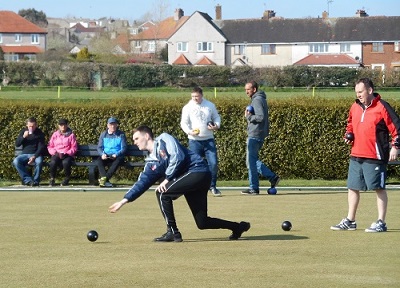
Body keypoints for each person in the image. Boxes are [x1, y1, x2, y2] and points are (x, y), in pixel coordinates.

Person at [108, 125, 250, 242]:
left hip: (198, 171)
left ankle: (173, 232)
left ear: (146, 136)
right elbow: (142, 183)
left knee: (162, 193)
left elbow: (178, 156)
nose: (135, 142)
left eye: (137, 138)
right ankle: (237, 227)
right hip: (191, 179)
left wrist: (167, 179)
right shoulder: (151, 161)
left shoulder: (164, 138)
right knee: (202, 223)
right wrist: (123, 201)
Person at [331, 78, 400, 233]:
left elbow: (397, 129)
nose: (358, 95)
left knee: (379, 188)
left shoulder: (382, 107)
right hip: (356, 154)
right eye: (356, 92)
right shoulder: (355, 107)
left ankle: (381, 222)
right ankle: (350, 220)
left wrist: (396, 147)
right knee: (352, 187)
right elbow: (350, 123)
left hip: (374, 156)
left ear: (369, 90)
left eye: (361, 92)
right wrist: (349, 134)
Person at [180, 86, 222, 197]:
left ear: (201, 95)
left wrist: (216, 126)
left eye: (197, 96)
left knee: (213, 164)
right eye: (193, 96)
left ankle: (212, 186)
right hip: (194, 141)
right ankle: (196, 188)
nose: (195, 98)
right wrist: (190, 132)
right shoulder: (187, 107)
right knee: (195, 166)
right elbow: (183, 123)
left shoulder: (210, 105)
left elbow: (217, 117)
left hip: (209, 140)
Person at [241, 81, 280, 195]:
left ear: (254, 89)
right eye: (245, 89)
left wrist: (249, 117)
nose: (246, 92)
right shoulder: (259, 98)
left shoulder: (257, 100)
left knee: (251, 162)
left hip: (255, 134)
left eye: (248, 89)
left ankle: (254, 188)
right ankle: (272, 178)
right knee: (251, 161)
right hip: (258, 134)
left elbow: (260, 117)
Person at [13, 117, 46, 186]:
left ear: (36, 125)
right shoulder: (23, 131)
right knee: (16, 161)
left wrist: (34, 156)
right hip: (25, 154)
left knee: (39, 162)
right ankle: (28, 180)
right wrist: (23, 137)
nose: (31, 128)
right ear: (27, 125)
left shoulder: (39, 133)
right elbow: (17, 144)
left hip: (36, 154)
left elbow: (41, 147)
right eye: (29, 126)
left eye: (33, 126)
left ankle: (36, 181)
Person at [97, 117, 127, 187]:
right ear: (108, 125)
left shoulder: (121, 135)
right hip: (106, 155)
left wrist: (116, 154)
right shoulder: (103, 134)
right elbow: (99, 147)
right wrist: (102, 154)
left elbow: (124, 148)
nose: (112, 126)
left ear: (117, 125)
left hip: (117, 156)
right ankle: (105, 181)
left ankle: (104, 179)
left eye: (114, 124)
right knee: (98, 161)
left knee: (118, 161)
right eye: (111, 124)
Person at [47, 118, 78, 186]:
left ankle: (67, 178)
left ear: (67, 125)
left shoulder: (71, 135)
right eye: (61, 125)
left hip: (67, 154)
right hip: (57, 154)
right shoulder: (55, 134)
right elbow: (50, 146)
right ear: (58, 126)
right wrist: (54, 152)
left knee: (66, 162)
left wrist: (67, 153)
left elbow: (74, 147)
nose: (63, 126)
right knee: (53, 162)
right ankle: (52, 179)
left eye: (64, 125)